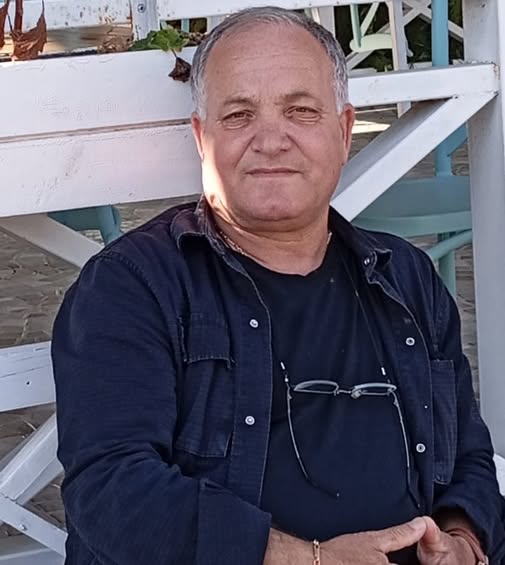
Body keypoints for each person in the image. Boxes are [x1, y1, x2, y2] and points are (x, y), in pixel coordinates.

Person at [51, 7, 505, 565]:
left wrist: (464, 541)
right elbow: (112, 491)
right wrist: (309, 559)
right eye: (239, 115)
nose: (271, 140)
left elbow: (468, 455)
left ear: (344, 132)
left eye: (301, 111)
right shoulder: (132, 286)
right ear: (202, 138)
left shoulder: (405, 276)